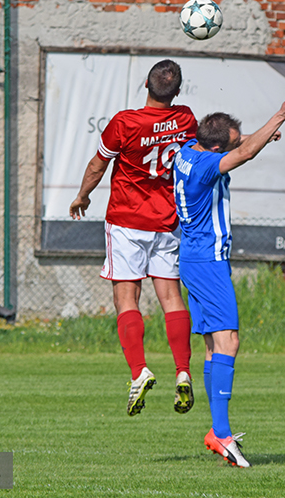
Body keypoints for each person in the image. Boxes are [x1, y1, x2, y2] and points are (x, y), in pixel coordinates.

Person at [173, 95, 285, 468]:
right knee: (229, 340)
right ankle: (221, 433)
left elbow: (240, 146)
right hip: (209, 262)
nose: (239, 142)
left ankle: (217, 431)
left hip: (193, 258)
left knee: (213, 346)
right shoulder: (205, 167)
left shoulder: (189, 149)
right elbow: (244, 153)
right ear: (218, 149)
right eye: (233, 141)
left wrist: (258, 137)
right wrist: (279, 116)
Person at [69, 59, 198, 417]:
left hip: (127, 221)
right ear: (177, 91)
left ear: (145, 84)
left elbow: (98, 165)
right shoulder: (185, 119)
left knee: (126, 297)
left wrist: (82, 196)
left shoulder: (125, 122)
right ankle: (183, 371)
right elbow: (213, 143)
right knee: (171, 297)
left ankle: (139, 371)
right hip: (166, 221)